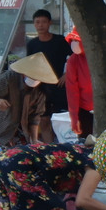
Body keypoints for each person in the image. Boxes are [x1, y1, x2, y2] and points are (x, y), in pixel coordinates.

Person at [0, 53, 57, 147]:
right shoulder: (8, 78)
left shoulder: (40, 91)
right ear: (24, 73)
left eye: (36, 78)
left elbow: (34, 119)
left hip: (20, 130)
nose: (33, 79)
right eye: (31, 76)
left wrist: (34, 140)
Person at [26, 9, 72, 142]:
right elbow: (29, 65)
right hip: (41, 88)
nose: (41, 25)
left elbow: (74, 59)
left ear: (49, 23)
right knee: (44, 121)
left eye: (44, 22)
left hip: (59, 86)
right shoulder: (32, 44)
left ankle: (64, 149)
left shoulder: (60, 41)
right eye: (37, 22)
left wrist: (66, 74)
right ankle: (49, 151)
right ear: (34, 24)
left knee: (62, 121)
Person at [64, 27, 95, 138]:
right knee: (85, 142)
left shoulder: (97, 57)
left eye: (77, 40)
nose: (74, 44)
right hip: (83, 109)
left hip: (101, 106)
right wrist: (74, 118)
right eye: (73, 40)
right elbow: (72, 91)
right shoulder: (73, 60)